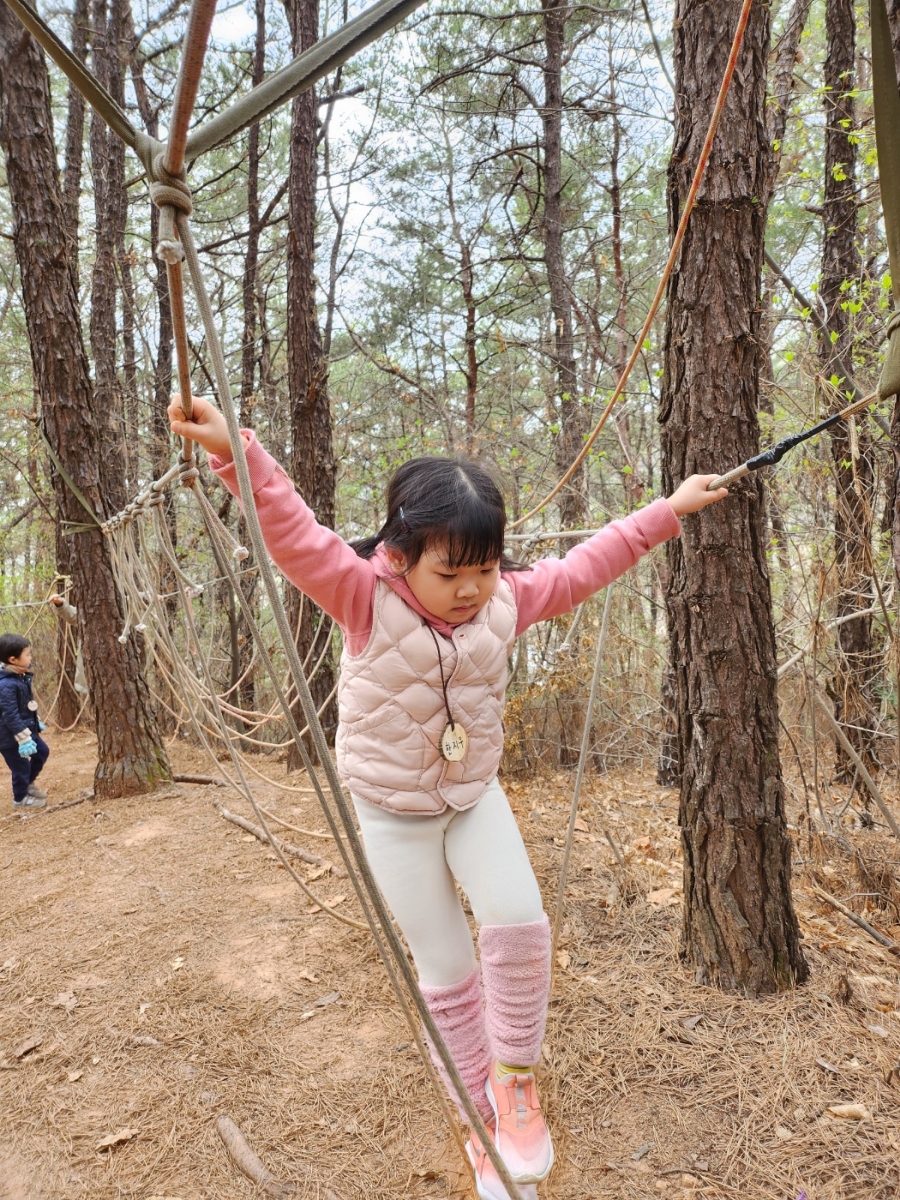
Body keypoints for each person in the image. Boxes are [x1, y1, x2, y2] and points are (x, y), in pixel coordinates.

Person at [169, 394, 728, 1200]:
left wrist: (665, 512)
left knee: (520, 922)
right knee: (448, 966)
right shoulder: (360, 594)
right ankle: (474, 1114)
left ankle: (514, 1084)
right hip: (391, 816)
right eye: (449, 572)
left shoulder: (506, 600)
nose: (471, 590)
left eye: (485, 568)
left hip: (472, 797)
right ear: (399, 555)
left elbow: (585, 565)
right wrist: (236, 451)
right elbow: (290, 532)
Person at [0, 634, 50, 811]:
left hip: (28, 731)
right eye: (27, 655)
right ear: (13, 659)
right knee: (20, 767)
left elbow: (24, 706)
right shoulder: (6, 685)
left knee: (42, 752)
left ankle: (27, 784)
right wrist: (22, 738)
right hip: (10, 738)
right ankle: (20, 799)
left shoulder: (21, 678)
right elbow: (10, 715)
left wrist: (36, 721)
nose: (31, 658)